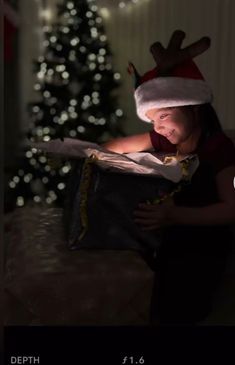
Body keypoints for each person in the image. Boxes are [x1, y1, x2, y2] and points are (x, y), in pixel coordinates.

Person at [102, 46, 235, 325]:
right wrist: (93, 155)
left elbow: (230, 209)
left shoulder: (219, 149)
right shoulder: (167, 138)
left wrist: (174, 215)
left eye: (163, 115)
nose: (159, 128)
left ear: (194, 108)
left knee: (173, 306)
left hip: (202, 245)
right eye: (152, 120)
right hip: (167, 232)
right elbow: (119, 146)